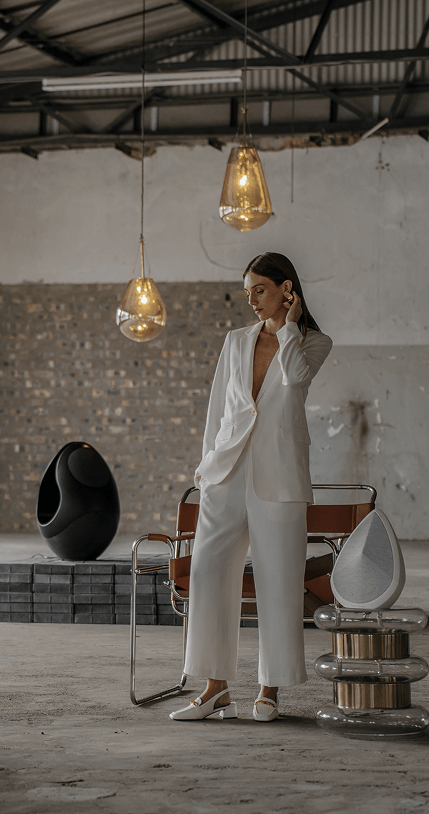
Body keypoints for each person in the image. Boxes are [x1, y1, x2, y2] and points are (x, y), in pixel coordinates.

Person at [169, 252, 333, 722]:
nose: (252, 301)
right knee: (206, 574)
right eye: (247, 293)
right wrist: (206, 468)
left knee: (278, 582)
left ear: (287, 289)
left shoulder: (312, 342)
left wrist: (288, 328)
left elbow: (296, 378)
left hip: (278, 476)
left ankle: (270, 690)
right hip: (227, 471)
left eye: (259, 290)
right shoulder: (235, 341)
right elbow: (219, 408)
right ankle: (214, 687)